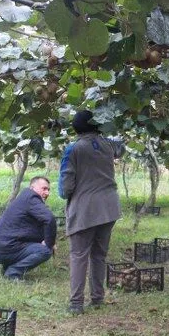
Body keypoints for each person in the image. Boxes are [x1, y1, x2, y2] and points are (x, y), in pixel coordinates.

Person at [61, 110, 121, 315]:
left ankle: (76, 303)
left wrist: (67, 195)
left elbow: (66, 186)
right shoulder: (108, 146)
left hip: (85, 209)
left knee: (79, 255)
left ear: (76, 127)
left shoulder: (73, 149)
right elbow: (120, 147)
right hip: (109, 207)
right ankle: (97, 298)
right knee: (99, 254)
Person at [0, 176, 56, 281]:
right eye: (44, 188)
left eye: (48, 189)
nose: (47, 193)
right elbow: (49, 219)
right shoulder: (31, 198)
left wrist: (45, 239)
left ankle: (7, 268)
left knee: (43, 246)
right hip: (4, 248)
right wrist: (49, 243)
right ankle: (13, 273)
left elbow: (30, 228)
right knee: (45, 250)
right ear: (32, 188)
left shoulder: (25, 198)